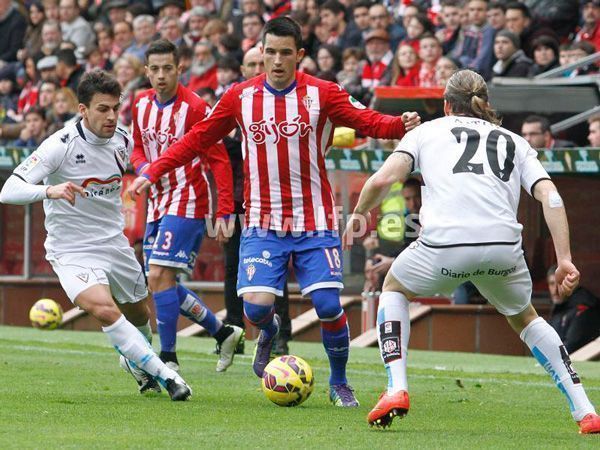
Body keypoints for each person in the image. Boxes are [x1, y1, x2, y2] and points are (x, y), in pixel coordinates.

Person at [129, 16, 420, 408]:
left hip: (314, 220)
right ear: (261, 53)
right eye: (271, 52)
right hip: (264, 222)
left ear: (299, 55)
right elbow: (198, 138)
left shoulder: (322, 93)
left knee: (329, 306)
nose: (278, 60)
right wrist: (156, 170)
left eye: (286, 53)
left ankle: (339, 382)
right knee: (255, 309)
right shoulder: (239, 97)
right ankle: (270, 330)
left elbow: (365, 120)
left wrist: (398, 125)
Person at [343, 69, 600, 433]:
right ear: (485, 104)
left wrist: (358, 214)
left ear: (447, 105)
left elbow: (384, 179)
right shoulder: (515, 141)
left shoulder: (426, 132)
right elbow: (550, 195)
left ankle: (396, 388)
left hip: (443, 245)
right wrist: (564, 258)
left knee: (394, 289)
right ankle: (586, 411)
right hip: (502, 249)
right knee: (526, 318)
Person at [0, 69, 191, 401]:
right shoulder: (59, 145)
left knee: (138, 315)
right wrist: (49, 191)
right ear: (82, 109)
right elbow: (8, 189)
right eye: (103, 109)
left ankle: (134, 360)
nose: (112, 116)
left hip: (113, 243)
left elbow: (141, 166)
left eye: (116, 107)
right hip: (70, 248)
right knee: (104, 309)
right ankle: (166, 375)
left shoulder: (123, 138)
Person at [130, 40, 243, 373]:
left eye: (169, 68)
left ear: (181, 69)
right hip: (157, 201)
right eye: (155, 69)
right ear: (146, 71)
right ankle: (222, 333)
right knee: (159, 281)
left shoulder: (195, 108)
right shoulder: (139, 105)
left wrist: (224, 212)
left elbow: (220, 160)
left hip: (188, 198)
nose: (162, 76)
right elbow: (137, 149)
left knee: (159, 275)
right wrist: (143, 170)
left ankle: (169, 358)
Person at [547, 265, 600, 353]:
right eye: (552, 284)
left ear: (569, 283)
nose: (555, 290)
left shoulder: (583, 307)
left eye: (559, 283)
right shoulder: (560, 307)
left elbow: (571, 346)